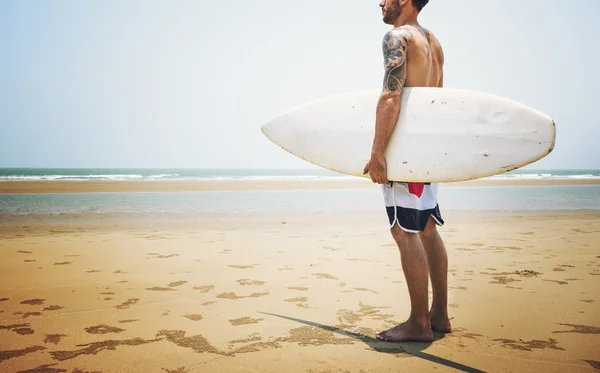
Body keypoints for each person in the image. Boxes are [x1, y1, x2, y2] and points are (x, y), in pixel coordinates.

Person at [363, 0, 451, 342]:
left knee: (404, 231)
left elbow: (390, 96)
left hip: (405, 149)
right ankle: (439, 314)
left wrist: (378, 151)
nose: (380, 3)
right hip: (426, 149)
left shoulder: (398, 38)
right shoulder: (433, 42)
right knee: (426, 227)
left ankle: (419, 323)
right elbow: (438, 101)